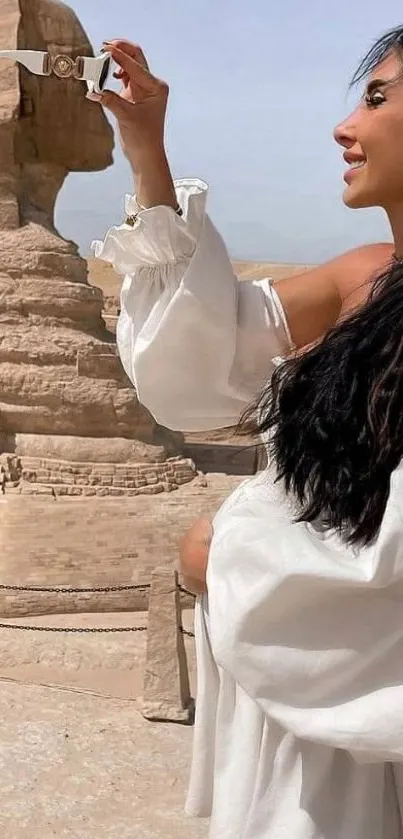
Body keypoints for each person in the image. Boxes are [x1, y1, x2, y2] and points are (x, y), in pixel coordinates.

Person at [91, 28, 403, 838]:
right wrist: (146, 151)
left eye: (377, 98)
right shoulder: (363, 273)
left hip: (361, 704)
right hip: (291, 711)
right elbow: (205, 353)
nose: (345, 126)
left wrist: (228, 553)